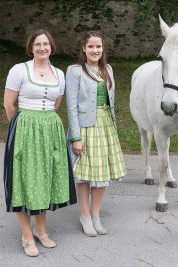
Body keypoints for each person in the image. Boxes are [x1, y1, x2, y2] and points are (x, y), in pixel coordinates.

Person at [3, 29, 77, 257]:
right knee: (24, 180)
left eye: (46, 44)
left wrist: (45, 123)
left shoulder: (59, 73)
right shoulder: (19, 70)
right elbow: (9, 104)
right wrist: (23, 126)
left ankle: (41, 229)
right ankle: (27, 234)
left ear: (51, 47)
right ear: (31, 47)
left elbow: (56, 104)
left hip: (51, 129)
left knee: (45, 178)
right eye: (38, 44)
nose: (42, 48)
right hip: (25, 128)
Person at [65, 31, 126, 237]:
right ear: (83, 48)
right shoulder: (75, 71)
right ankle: (84, 215)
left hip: (106, 125)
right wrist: (76, 137)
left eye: (98, 46)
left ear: (103, 48)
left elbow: (112, 102)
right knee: (84, 175)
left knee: (102, 175)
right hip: (85, 127)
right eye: (90, 46)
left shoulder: (107, 69)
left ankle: (96, 215)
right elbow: (71, 106)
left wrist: (114, 129)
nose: (95, 50)